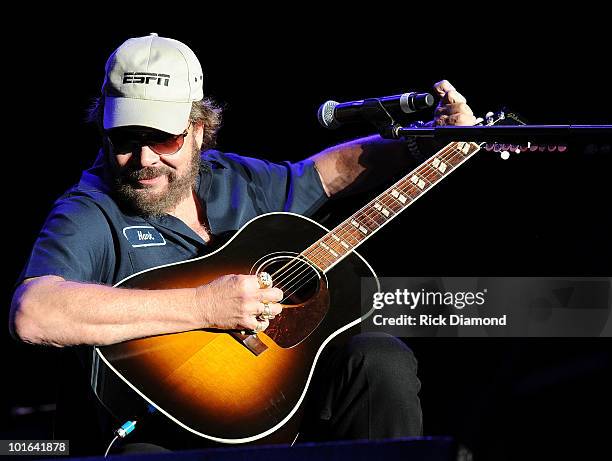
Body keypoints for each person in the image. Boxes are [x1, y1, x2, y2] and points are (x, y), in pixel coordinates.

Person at [9, 34, 476, 455]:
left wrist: (427, 143)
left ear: (198, 129)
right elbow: (35, 312)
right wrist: (204, 305)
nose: (144, 159)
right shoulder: (89, 207)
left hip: (276, 406)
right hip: (161, 434)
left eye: (165, 139)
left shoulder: (232, 178)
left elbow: (328, 174)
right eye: (126, 139)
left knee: (380, 357)